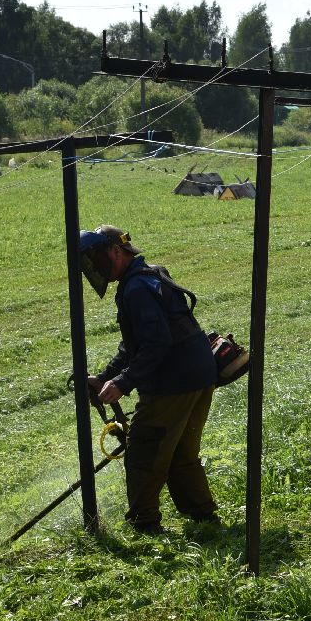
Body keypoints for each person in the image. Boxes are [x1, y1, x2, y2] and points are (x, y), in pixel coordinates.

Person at [79, 225, 222, 536]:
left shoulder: (137, 289)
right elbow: (135, 343)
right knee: (181, 453)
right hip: (199, 374)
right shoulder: (147, 276)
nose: (95, 268)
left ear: (115, 251)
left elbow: (156, 344)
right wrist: (106, 376)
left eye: (96, 259)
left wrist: (123, 383)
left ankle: (144, 524)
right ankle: (204, 516)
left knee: (144, 452)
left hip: (174, 382)